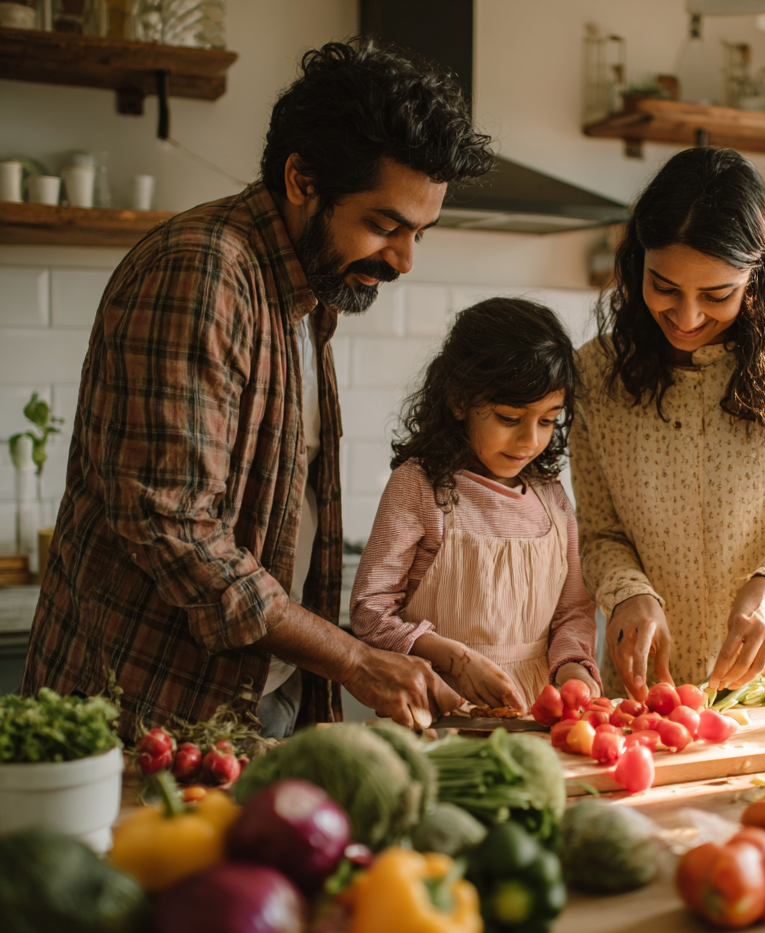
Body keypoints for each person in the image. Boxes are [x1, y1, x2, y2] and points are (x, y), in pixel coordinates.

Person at [22, 41, 493, 738]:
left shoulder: (305, 295)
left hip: (256, 700)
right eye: (384, 226)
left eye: (419, 232)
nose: (403, 260)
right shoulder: (203, 273)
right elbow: (178, 528)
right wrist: (354, 661)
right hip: (145, 713)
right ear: (301, 178)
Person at [571, 147, 765, 702]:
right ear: (638, 260)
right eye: (664, 286)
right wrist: (625, 592)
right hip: (651, 690)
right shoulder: (596, 373)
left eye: (717, 296)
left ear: (756, 278)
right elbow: (600, 533)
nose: (686, 318)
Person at [350, 297, 600, 713]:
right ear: (459, 400)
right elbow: (369, 612)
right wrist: (457, 660)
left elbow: (572, 612)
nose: (529, 441)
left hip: (534, 713)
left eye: (547, 420)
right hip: (435, 709)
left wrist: (574, 669)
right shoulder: (418, 486)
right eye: (508, 417)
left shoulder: (551, 496)